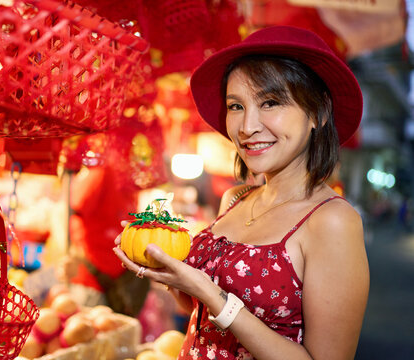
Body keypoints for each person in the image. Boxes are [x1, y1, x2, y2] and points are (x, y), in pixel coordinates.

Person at [114, 25, 369, 359]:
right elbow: (201, 312)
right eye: (236, 106)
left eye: (271, 102)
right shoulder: (235, 199)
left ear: (318, 112)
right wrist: (169, 274)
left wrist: (216, 299)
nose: (247, 127)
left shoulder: (333, 221)